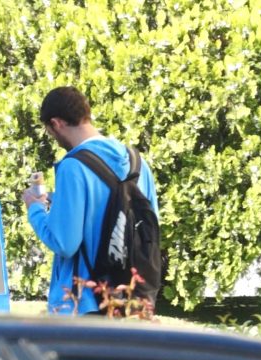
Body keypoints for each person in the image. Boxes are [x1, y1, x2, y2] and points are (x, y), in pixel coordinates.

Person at [22, 86, 159, 315]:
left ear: (56, 123)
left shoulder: (73, 166)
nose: (54, 139)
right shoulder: (137, 162)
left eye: (50, 132)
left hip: (83, 304)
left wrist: (35, 209)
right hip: (130, 299)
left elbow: (65, 243)